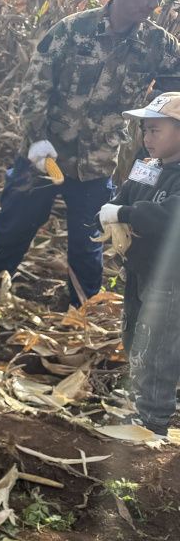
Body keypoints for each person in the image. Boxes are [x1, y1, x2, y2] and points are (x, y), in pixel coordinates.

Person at [0, 0, 180, 306]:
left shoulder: (159, 46)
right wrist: (36, 139)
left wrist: (153, 148)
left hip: (98, 162)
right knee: (15, 225)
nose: (156, 4)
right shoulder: (73, 31)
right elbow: (34, 87)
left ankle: (82, 311)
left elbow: (172, 94)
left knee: (90, 242)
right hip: (47, 159)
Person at [99, 92, 180, 438]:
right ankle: (138, 396)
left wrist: (126, 215)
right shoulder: (148, 166)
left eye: (155, 130)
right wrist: (109, 211)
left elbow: (169, 217)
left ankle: (153, 419)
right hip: (139, 268)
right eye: (145, 130)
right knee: (135, 333)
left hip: (170, 277)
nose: (146, 138)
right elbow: (126, 195)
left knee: (158, 343)